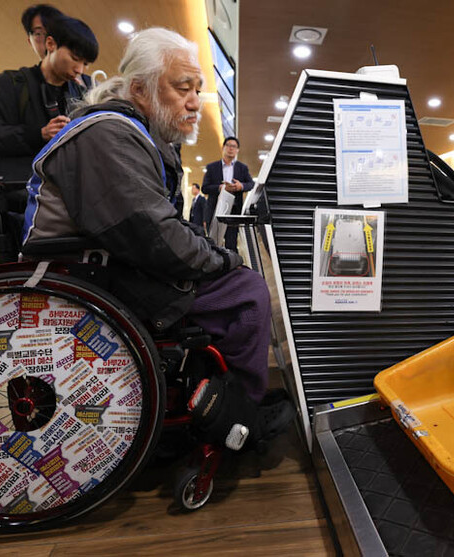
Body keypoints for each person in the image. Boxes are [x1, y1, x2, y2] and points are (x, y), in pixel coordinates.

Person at [22, 27, 292, 444]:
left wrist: (211, 252)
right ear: (140, 89)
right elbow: (152, 234)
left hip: (105, 267)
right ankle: (237, 418)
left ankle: (223, 398)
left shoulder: (130, 133)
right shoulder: (108, 134)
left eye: (198, 89)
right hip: (86, 278)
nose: (194, 101)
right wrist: (223, 259)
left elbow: (158, 224)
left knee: (227, 276)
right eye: (182, 87)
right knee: (246, 290)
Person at [0, 14, 98, 182]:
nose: (80, 70)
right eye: (75, 59)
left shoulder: (85, 93)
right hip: (17, 198)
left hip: (67, 196)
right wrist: (39, 134)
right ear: (51, 44)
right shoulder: (8, 84)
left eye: (86, 64)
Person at [202, 136, 254, 250]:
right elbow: (204, 188)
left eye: (234, 146)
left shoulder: (242, 168)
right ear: (223, 148)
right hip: (215, 209)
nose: (231, 148)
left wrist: (241, 186)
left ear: (237, 150)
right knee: (213, 243)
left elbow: (251, 184)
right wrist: (220, 188)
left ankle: (232, 266)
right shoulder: (212, 167)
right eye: (228, 145)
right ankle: (214, 266)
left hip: (234, 211)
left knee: (231, 243)